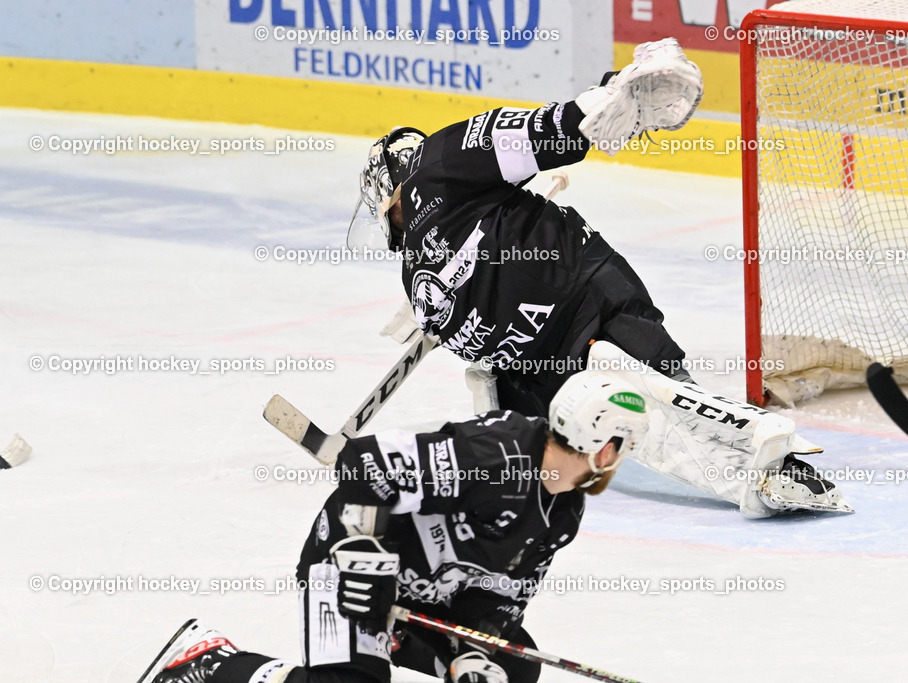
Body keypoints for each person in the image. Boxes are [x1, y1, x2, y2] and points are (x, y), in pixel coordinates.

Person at [350, 37, 852, 519]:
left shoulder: (438, 164)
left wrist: (608, 97)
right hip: (535, 362)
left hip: (586, 297)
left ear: (386, 190)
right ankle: (757, 469)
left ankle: (776, 461)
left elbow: (530, 135)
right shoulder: (416, 263)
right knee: (611, 425)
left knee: (660, 391)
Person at [139, 370, 649, 683]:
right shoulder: (492, 457)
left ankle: (399, 642)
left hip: (415, 601)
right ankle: (208, 662)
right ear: (607, 448)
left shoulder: (561, 514)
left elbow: (497, 594)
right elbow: (364, 465)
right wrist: (365, 560)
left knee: (512, 669)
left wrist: (471, 653)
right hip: (346, 573)